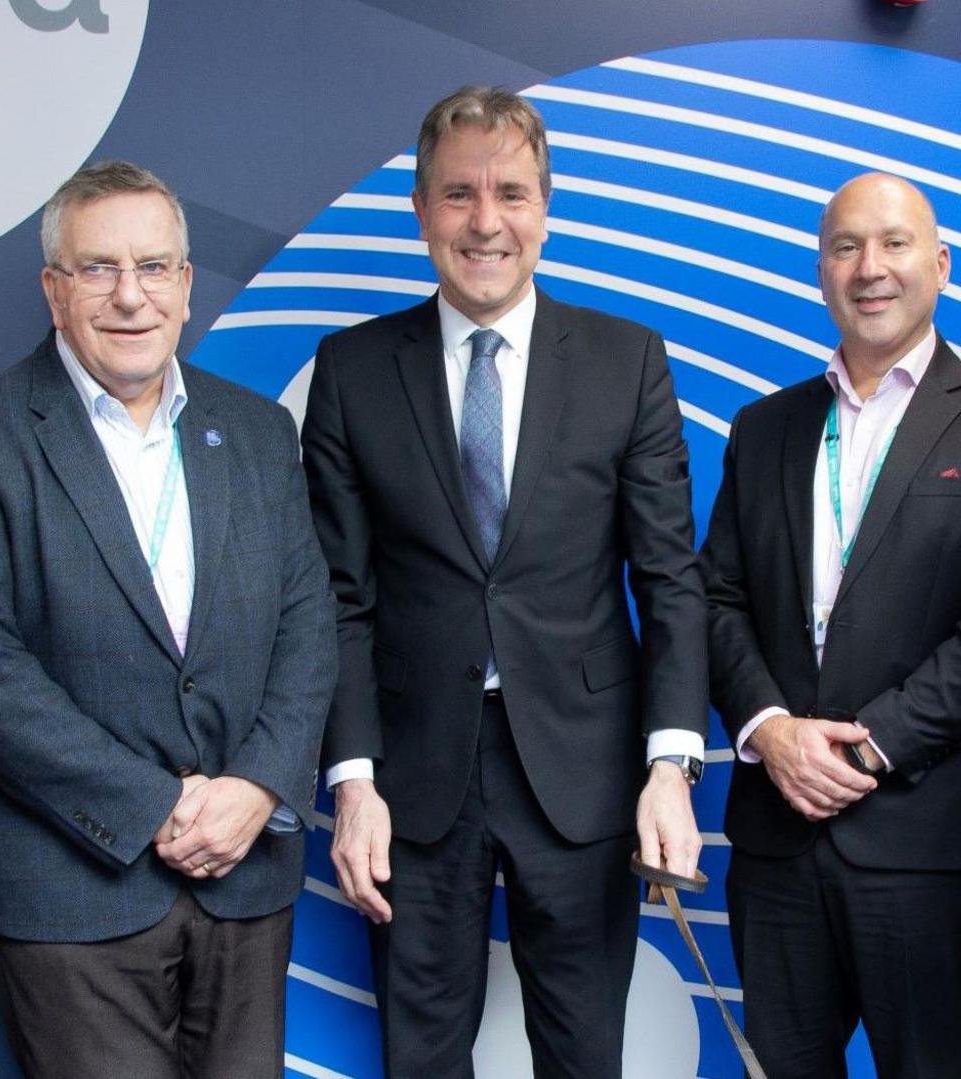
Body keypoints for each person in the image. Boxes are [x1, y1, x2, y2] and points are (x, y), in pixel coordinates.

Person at [301, 85, 707, 1078]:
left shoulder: (626, 362)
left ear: (546, 207)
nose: (486, 222)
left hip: (586, 770)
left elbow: (670, 579)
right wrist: (352, 780)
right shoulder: (352, 371)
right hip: (413, 777)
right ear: (421, 209)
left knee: (582, 1052)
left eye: (512, 194)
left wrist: (670, 764)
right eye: (459, 194)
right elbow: (337, 597)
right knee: (422, 1052)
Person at [0, 160, 335, 1078]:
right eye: (98, 268)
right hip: (71, 886)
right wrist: (155, 806)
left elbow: (306, 620)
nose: (129, 296)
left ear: (185, 284)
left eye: (154, 267)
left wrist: (257, 785)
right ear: (54, 290)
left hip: (244, 874)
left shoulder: (257, 431)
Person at [699, 173, 961, 1078]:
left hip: (928, 840)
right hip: (779, 835)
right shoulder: (766, 427)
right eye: (846, 246)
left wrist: (867, 749)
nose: (871, 267)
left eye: (895, 244)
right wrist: (770, 732)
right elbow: (717, 599)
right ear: (822, 270)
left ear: (939, 265)